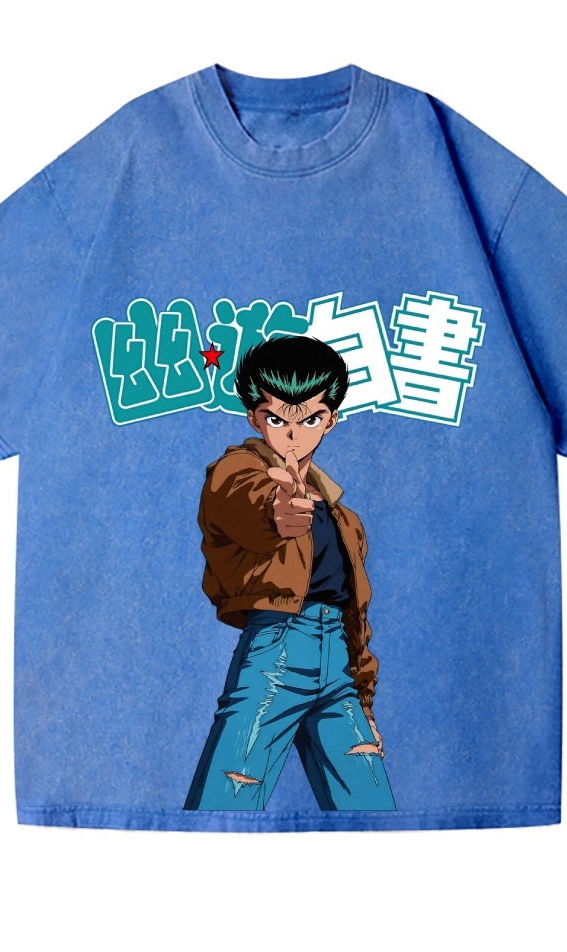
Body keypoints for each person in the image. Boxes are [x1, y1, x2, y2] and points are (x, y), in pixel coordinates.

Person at [184, 335, 396, 811]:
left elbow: (355, 615)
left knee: (372, 810)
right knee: (227, 802)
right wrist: (277, 511)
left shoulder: (345, 522)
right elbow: (243, 500)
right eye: (278, 419)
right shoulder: (238, 471)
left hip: (339, 670)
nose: (294, 434)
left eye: (310, 419)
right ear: (255, 418)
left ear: (330, 420)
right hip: (276, 654)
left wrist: (363, 700)